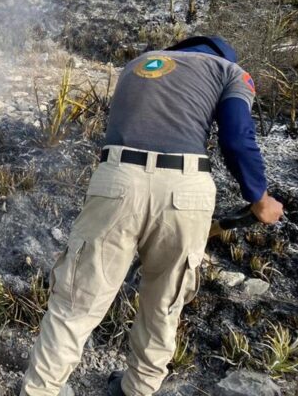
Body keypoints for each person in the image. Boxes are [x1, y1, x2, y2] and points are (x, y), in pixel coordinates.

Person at [20, 36, 283, 396]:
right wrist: (259, 197)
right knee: (164, 304)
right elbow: (237, 138)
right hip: (185, 190)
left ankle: (39, 391)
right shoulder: (229, 71)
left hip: (116, 180)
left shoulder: (138, 65)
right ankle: (137, 390)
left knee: (76, 301)